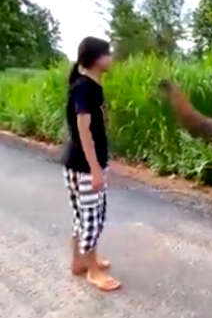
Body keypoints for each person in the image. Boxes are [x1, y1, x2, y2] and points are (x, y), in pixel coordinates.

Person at [61, 36, 120, 291]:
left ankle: (80, 261)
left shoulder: (90, 86)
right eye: (108, 53)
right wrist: (95, 169)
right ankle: (93, 272)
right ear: (97, 59)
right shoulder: (84, 88)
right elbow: (84, 131)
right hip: (84, 166)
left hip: (80, 164)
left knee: (83, 216)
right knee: (92, 218)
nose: (112, 57)